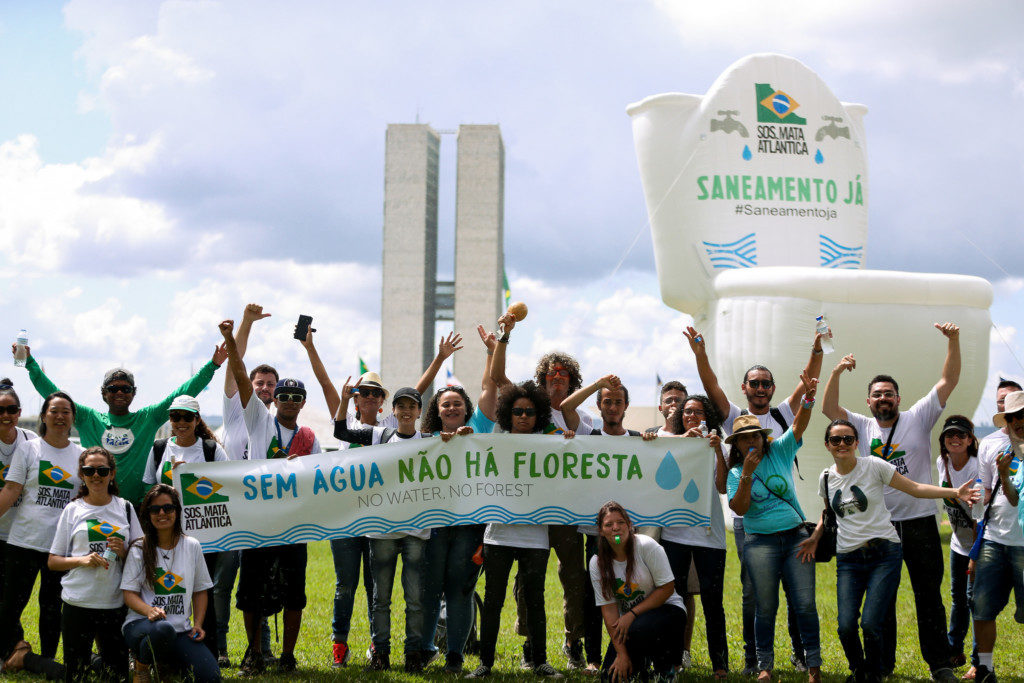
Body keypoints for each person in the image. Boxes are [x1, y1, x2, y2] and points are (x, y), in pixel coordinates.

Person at [822, 323, 961, 682]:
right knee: (880, 605)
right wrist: (836, 370)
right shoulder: (860, 426)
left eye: (889, 394)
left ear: (898, 398)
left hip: (918, 521)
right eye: (877, 394)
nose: (883, 399)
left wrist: (954, 341)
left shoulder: (919, 417)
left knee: (928, 595)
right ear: (868, 401)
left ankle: (940, 664)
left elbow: (948, 381)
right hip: (878, 526)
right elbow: (828, 407)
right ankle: (881, 667)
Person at [685, 325, 824, 674]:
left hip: (787, 519)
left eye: (766, 383)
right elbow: (710, 387)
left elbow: (808, 386)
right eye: (754, 383)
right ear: (745, 388)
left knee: (797, 594)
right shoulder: (733, 417)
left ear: (773, 389)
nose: (760, 388)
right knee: (754, 597)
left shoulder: (782, 416)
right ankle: (753, 659)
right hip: (749, 521)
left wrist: (818, 350)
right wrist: (701, 355)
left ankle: (800, 653)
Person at [803, 419, 976, 683]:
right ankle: (859, 670)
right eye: (836, 440)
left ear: (857, 443)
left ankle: (871, 674)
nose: (842, 444)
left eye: (848, 439)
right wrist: (816, 537)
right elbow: (829, 513)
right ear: (827, 444)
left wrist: (955, 492)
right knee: (846, 626)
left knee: (872, 623)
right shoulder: (826, 477)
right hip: (848, 559)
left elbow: (915, 489)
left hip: (884, 553)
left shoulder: (874, 466)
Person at [219, 319, 320, 675]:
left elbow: (324, 480)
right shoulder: (258, 421)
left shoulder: (309, 438)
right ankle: (254, 653)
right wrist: (231, 339)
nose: (289, 401)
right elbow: (242, 374)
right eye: (283, 396)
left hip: (295, 524)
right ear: (273, 399)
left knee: (295, 592)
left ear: (303, 403)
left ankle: (288, 655)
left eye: (296, 397)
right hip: (258, 521)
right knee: (250, 591)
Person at [490, 312, 588, 669]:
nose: (556, 379)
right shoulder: (525, 406)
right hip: (525, 510)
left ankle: (572, 640)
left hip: (563, 508)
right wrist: (505, 335)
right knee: (526, 580)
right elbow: (498, 377)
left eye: (563, 375)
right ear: (541, 379)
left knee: (573, 575)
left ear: (572, 380)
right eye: (550, 374)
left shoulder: (580, 415)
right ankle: (531, 641)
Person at [17, 343, 226, 505]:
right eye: (113, 388)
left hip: (137, 509)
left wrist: (212, 366)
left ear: (134, 393)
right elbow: (52, 394)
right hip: (95, 505)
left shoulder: (148, 418)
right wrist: (30, 364)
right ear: (103, 393)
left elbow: (181, 394)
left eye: (126, 389)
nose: (119, 392)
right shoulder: (88, 418)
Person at [467, 380, 569, 679]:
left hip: (535, 537)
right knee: (494, 601)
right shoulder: (496, 436)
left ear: (539, 415)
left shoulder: (551, 439)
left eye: (530, 411)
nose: (523, 416)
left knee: (535, 601)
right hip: (498, 535)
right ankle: (485, 663)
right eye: (517, 411)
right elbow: (493, 378)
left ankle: (541, 662)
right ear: (507, 414)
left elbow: (573, 458)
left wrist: (570, 441)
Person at [726, 372, 820, 683]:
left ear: (762, 438)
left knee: (804, 603)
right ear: (737, 444)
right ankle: (764, 666)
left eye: (754, 436)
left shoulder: (779, 450)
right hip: (759, 542)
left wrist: (807, 398)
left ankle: (813, 666)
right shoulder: (737, 471)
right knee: (764, 607)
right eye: (744, 438)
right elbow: (739, 508)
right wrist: (747, 476)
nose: (750, 441)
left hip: (796, 538)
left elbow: (799, 426)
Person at [559, 374, 656, 673]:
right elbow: (565, 407)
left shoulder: (640, 440)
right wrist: (599, 382)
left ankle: (638, 654)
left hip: (630, 536)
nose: (612, 407)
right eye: (607, 402)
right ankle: (593, 658)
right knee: (594, 597)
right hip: (595, 534)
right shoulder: (589, 436)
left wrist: (655, 443)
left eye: (617, 402)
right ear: (599, 407)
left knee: (633, 593)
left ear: (626, 406)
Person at [416, 324, 499, 675]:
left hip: (469, 527)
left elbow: (489, 387)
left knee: (461, 592)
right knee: (431, 592)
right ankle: (424, 650)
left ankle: (455, 656)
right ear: (439, 410)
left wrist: (492, 351)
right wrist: (439, 359)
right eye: (445, 404)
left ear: (466, 410)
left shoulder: (480, 430)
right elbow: (412, 396)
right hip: (434, 526)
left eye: (457, 404)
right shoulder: (426, 438)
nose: (451, 408)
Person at [335, 382, 429, 673]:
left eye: (411, 406)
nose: (406, 410)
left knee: (414, 599)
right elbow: (341, 432)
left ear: (419, 412)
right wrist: (342, 401)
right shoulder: (379, 435)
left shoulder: (431, 440)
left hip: (416, 531)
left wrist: (461, 435)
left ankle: (412, 654)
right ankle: (382, 655)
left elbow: (463, 447)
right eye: (401, 406)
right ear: (393, 410)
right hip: (382, 531)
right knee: (381, 599)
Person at [143, 394, 228, 661]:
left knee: (203, 590)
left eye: (187, 417)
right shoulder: (159, 448)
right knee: (168, 590)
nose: (180, 422)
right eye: (175, 416)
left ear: (196, 419)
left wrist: (191, 477)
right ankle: (165, 654)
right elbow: (150, 490)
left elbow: (227, 488)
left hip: (204, 537)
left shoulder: (212, 450)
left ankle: (208, 652)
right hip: (165, 534)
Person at [0, 391, 83, 661]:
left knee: (51, 606)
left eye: (66, 412)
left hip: (59, 548)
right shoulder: (29, 448)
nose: (60, 416)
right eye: (54, 411)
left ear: (72, 418)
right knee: (10, 605)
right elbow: (11, 490)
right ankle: (3, 656)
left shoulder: (80, 456)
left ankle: (47, 660)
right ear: (44, 416)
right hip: (23, 541)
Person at [214, 303, 275, 668]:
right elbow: (233, 373)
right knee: (222, 584)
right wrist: (245, 326)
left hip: (260, 513)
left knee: (259, 585)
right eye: (259, 383)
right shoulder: (234, 412)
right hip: (227, 511)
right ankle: (218, 647)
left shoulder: (272, 422)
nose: (265, 388)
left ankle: (261, 648)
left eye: (271, 384)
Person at [48, 446, 142, 681]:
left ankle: (96, 660)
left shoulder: (126, 508)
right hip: (77, 602)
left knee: (116, 676)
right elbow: (53, 561)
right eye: (89, 470)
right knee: (75, 675)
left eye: (102, 470)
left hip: (113, 603)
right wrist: (83, 560)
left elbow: (142, 558)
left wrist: (125, 551)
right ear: (81, 474)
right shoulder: (72, 509)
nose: (96, 475)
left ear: (112, 474)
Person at [121, 484, 219, 683]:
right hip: (141, 626)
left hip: (180, 630)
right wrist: (149, 610)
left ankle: (166, 665)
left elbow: (200, 590)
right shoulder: (139, 548)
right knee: (162, 629)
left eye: (168, 508)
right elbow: (129, 594)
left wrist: (198, 623)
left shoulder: (192, 545)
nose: (162, 513)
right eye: (155, 509)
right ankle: (141, 666)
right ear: (148, 514)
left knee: (210, 677)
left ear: (177, 511)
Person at [662, 394, 730, 678]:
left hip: (709, 536)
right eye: (687, 411)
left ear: (707, 416)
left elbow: (723, 487)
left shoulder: (718, 444)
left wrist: (715, 452)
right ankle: (673, 660)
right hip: (674, 533)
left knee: (713, 602)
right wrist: (683, 441)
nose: (691, 415)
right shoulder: (670, 442)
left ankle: (720, 665)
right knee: (673, 599)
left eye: (698, 411)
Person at [590, 501, 687, 683]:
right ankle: (639, 668)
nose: (615, 528)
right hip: (630, 625)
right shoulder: (597, 562)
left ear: (629, 525)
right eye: (608, 525)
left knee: (641, 628)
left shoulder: (647, 546)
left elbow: (667, 588)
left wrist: (632, 614)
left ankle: (665, 668)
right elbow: (609, 610)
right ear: (601, 531)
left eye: (620, 522)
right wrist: (622, 655)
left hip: (669, 611)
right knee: (609, 679)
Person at [970, 389, 1024, 683]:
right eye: (1013, 417)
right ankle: (985, 669)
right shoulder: (991, 444)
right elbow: (986, 491)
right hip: (994, 537)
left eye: (1023, 416)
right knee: (982, 605)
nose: (1018, 422)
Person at [935, 415, 980, 677]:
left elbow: (981, 516)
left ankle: (977, 661)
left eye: (961, 435)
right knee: (958, 600)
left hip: (978, 545)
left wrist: (975, 553)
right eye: (950, 435)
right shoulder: (942, 462)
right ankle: (954, 651)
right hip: (957, 544)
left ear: (971, 440)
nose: (955, 439)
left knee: (974, 601)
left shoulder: (976, 468)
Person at [0, 380, 38, 596]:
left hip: (22, 537)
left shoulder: (30, 440)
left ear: (19, 412)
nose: (6, 415)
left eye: (12, 410)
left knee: (14, 601)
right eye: (0, 410)